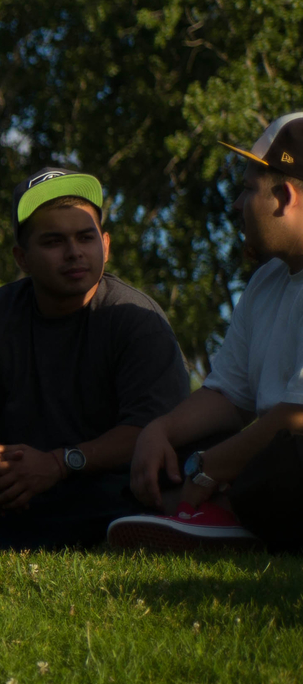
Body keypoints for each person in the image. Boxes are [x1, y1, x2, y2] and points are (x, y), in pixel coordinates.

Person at [0, 169, 190, 549]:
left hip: (99, 478)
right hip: (21, 481)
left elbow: (154, 431)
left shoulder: (138, 319)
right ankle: (20, 535)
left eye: (85, 237)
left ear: (105, 245)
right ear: (21, 258)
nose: (74, 252)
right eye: (54, 241)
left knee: (144, 490)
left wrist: (59, 464)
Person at [108, 115, 303, 551]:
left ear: (285, 196)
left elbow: (297, 415)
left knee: (290, 454)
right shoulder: (266, 281)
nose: (237, 204)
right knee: (174, 452)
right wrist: (159, 431)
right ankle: (216, 513)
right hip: (268, 458)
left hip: (291, 453)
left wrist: (210, 468)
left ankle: (221, 515)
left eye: (249, 189)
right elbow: (228, 396)